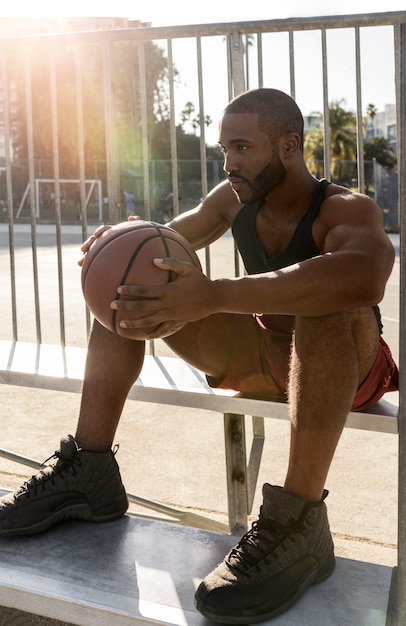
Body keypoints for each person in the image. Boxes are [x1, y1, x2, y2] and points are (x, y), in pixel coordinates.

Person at [0, 88, 398, 624]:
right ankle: (89, 472)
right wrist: (122, 241)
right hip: (265, 353)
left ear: (288, 146)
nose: (229, 163)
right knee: (135, 283)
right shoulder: (233, 197)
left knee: (325, 302)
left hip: (347, 367)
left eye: (242, 148)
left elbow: (364, 275)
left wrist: (216, 293)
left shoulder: (344, 208)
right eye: (224, 149)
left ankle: (297, 521)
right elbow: (168, 239)